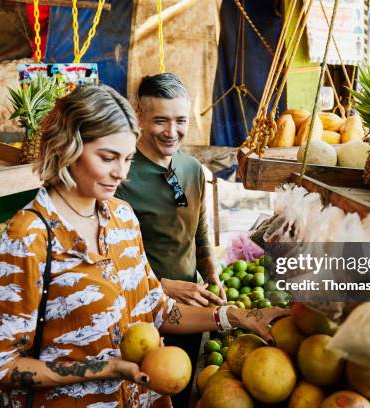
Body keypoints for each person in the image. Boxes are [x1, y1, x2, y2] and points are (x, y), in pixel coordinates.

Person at [0, 84, 288, 408]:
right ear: (67, 147)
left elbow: (158, 311)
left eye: (127, 159)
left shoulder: (121, 217)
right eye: (107, 158)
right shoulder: (29, 239)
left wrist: (238, 316)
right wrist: (102, 369)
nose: (120, 173)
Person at [114, 74, 225, 406]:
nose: (172, 131)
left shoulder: (191, 168)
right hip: (138, 315)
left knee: (181, 390)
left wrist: (211, 273)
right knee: (141, 396)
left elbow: (198, 230)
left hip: (189, 308)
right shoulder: (119, 176)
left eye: (180, 120)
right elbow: (109, 258)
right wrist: (162, 286)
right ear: (139, 116)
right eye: (160, 120)